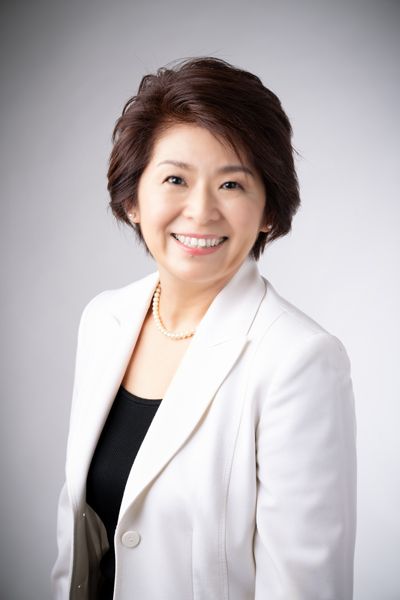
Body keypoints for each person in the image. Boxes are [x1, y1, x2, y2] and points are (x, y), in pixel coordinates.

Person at [51, 56, 357, 600]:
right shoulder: (104, 320)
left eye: (232, 184)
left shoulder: (300, 360)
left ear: (269, 211)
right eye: (175, 179)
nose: (201, 211)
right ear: (132, 199)